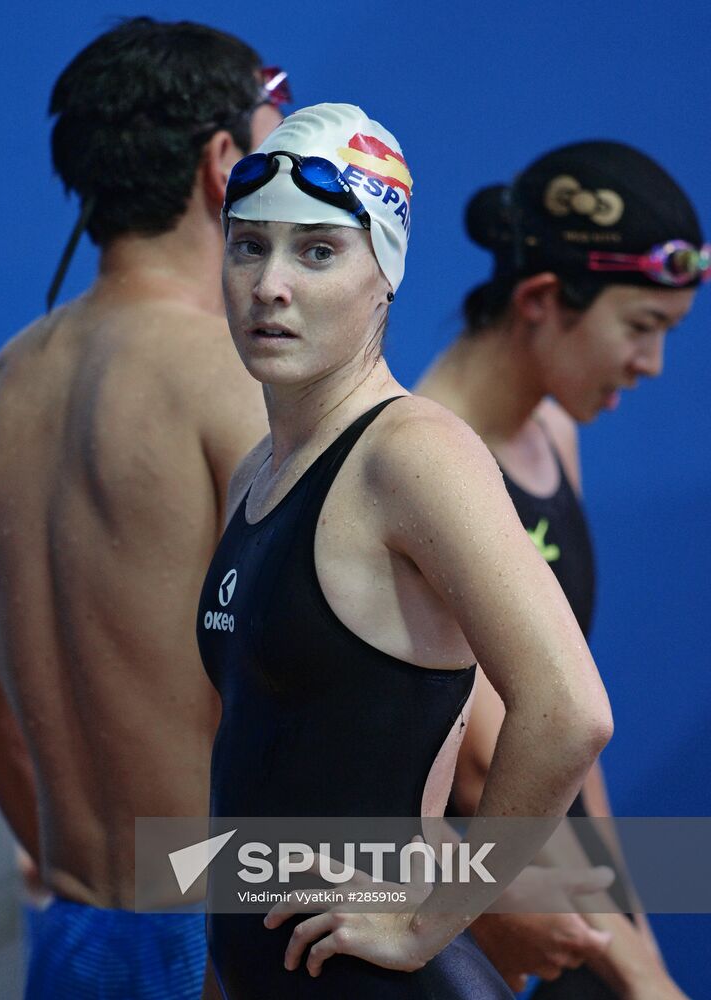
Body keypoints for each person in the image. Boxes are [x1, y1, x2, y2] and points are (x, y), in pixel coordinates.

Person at [197, 102, 614, 1000]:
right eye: (248, 246)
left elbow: (570, 710)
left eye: (317, 251)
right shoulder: (257, 472)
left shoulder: (412, 453)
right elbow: (255, 756)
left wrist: (430, 921)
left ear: (384, 272)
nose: (272, 284)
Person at [0, 17, 287, 998]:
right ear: (221, 163)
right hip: (217, 936)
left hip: (72, 932)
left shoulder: (6, 383)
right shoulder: (231, 379)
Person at [416, 140, 707, 999]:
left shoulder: (555, 437)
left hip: (576, 905)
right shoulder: (423, 468)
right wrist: (635, 967)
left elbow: (575, 728)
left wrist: (633, 928)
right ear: (542, 299)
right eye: (642, 328)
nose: (652, 364)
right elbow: (481, 765)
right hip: (489, 921)